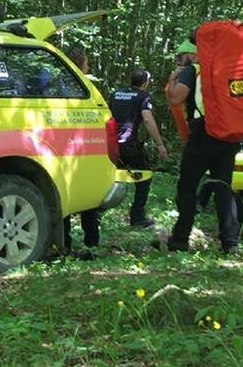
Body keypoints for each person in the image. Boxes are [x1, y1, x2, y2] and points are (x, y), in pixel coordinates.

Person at [164, 36, 240, 254]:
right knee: (223, 188)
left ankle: (180, 239)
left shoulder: (193, 70)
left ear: (194, 53)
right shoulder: (229, 68)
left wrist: (172, 81)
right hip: (228, 134)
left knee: (187, 186)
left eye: (184, 56)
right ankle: (230, 243)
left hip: (204, 133)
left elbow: (176, 99)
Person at [110, 67, 168, 226]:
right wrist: (160, 144)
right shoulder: (143, 96)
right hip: (129, 144)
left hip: (111, 144)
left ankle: (95, 214)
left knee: (108, 177)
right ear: (145, 83)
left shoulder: (115, 94)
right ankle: (137, 217)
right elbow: (148, 120)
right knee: (144, 177)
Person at [65, 46, 102, 252]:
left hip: (63, 150)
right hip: (86, 148)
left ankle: (64, 242)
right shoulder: (85, 87)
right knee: (89, 197)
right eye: (86, 62)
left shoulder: (59, 84)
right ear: (80, 64)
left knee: (65, 194)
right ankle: (92, 241)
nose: (88, 66)